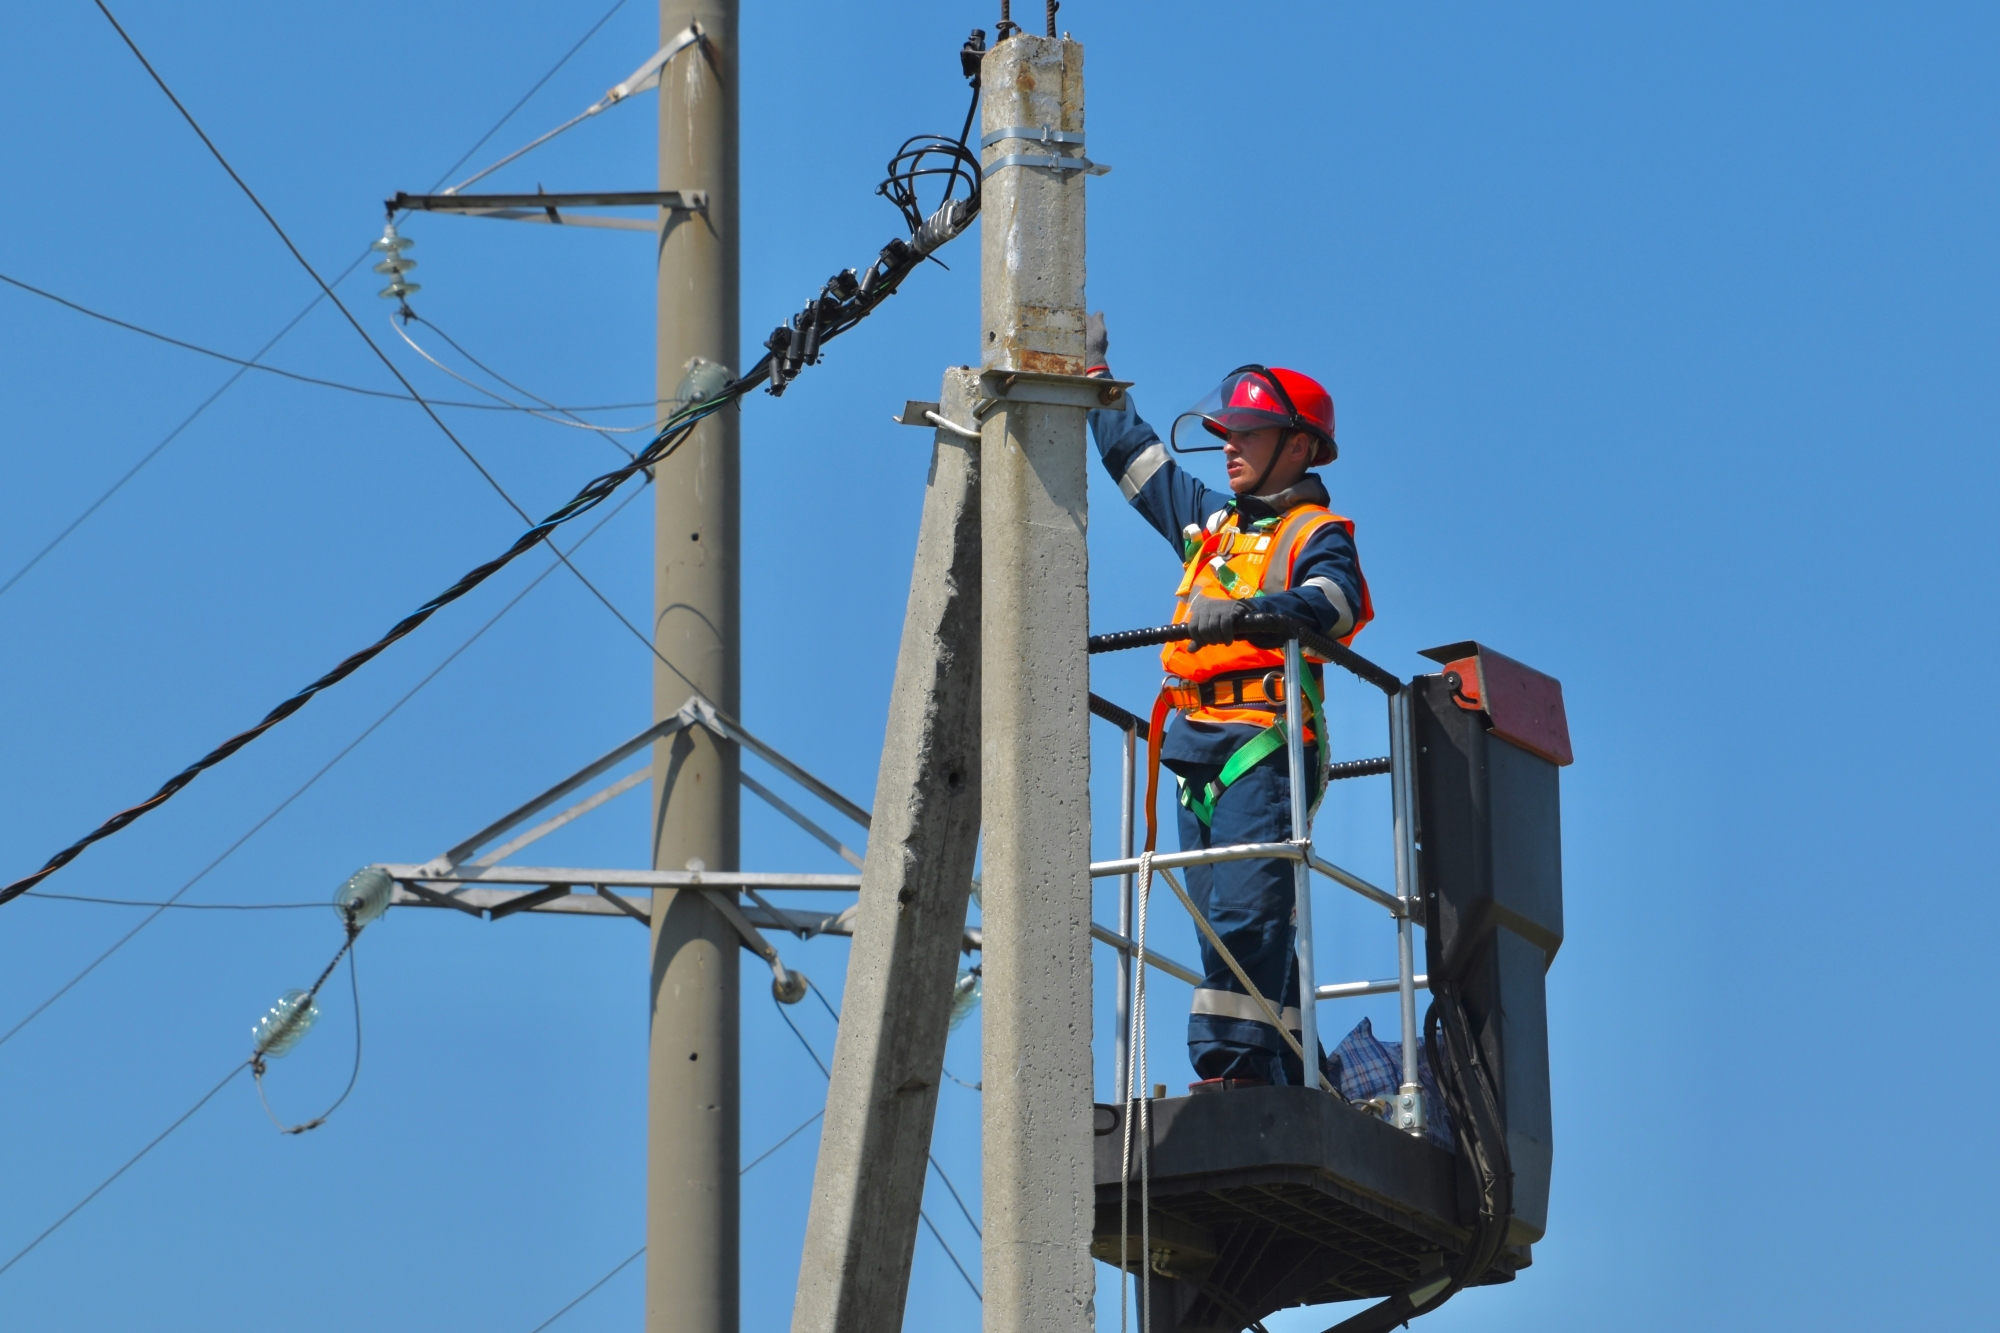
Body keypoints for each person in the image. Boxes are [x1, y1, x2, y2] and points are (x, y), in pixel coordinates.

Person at [1085, 312, 1374, 1090]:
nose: (1229, 446)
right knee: (1228, 923)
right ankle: (1291, 1068)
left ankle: (1234, 1076)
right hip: (1192, 751)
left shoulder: (1318, 532)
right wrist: (1095, 380)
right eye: (1226, 433)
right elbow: (1140, 464)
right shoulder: (1212, 524)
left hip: (1260, 745)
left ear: (1299, 447)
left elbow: (1337, 601)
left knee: (1246, 913)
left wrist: (1253, 611)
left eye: (1248, 433)